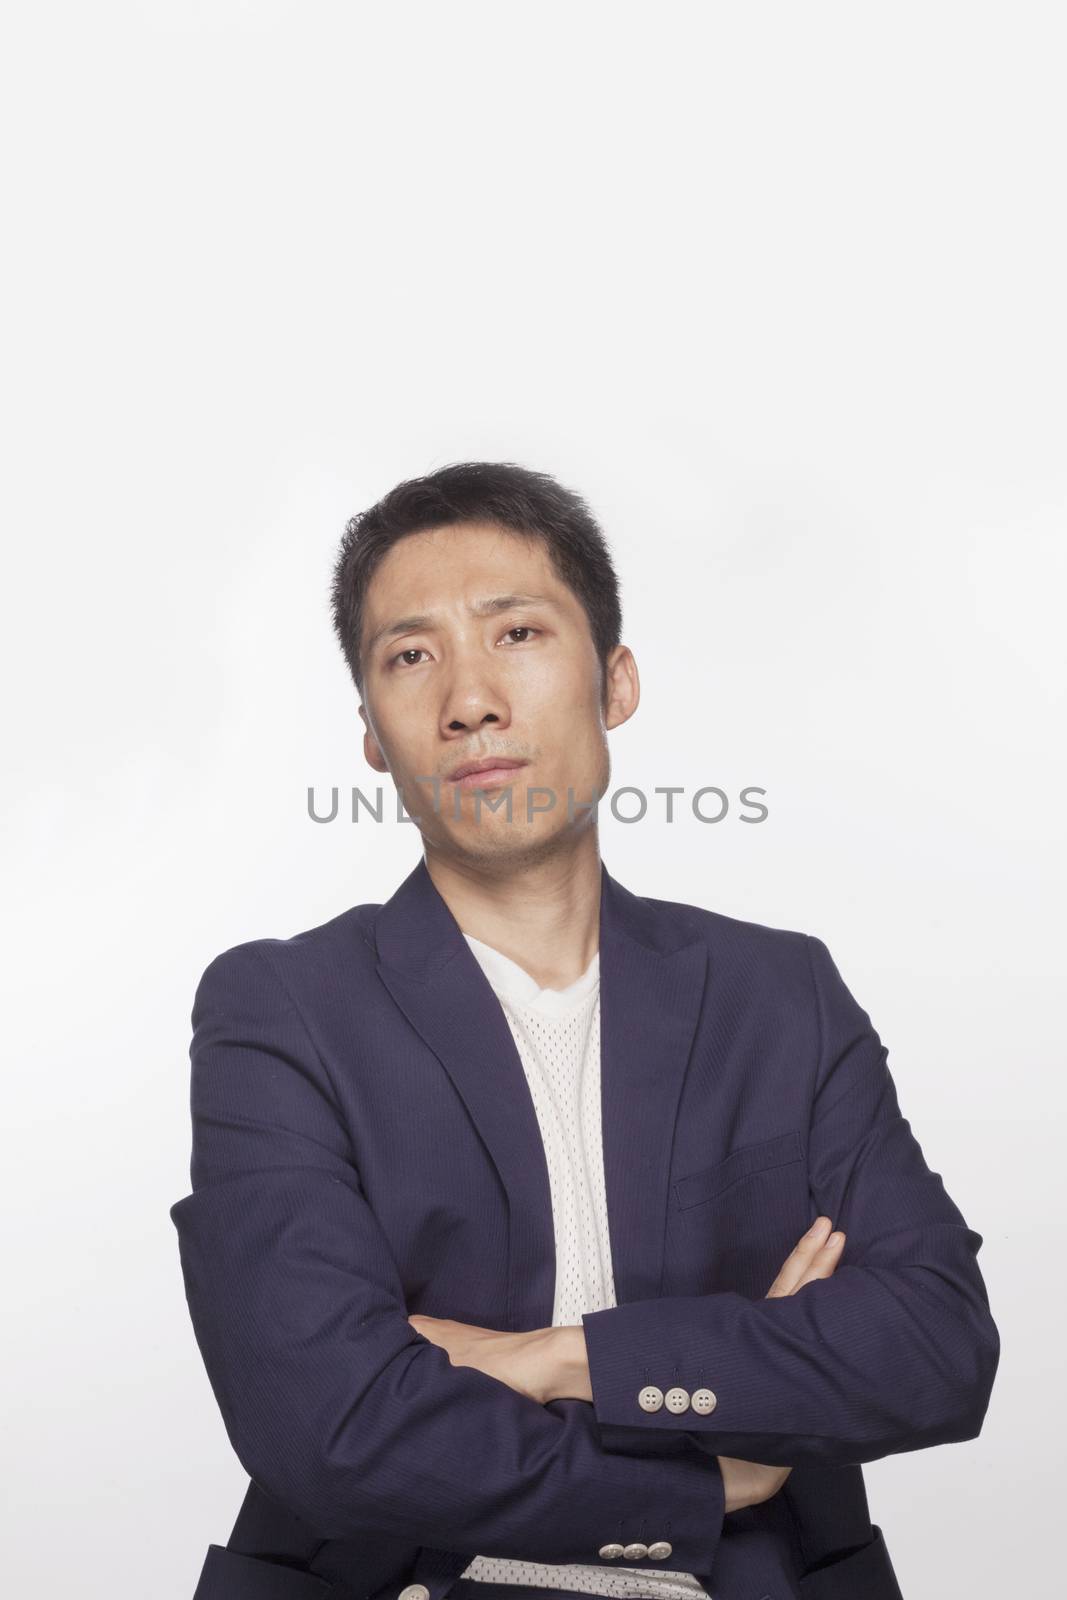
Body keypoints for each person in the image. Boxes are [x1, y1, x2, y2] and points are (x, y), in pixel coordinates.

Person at [170, 461, 999, 1600]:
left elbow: (933, 1348)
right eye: (410, 656)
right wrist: (701, 1477)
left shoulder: (777, 992)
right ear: (371, 731)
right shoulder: (282, 1010)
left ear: (615, 681)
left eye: (515, 633)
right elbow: (330, 1425)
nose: (468, 699)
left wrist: (563, 1357)